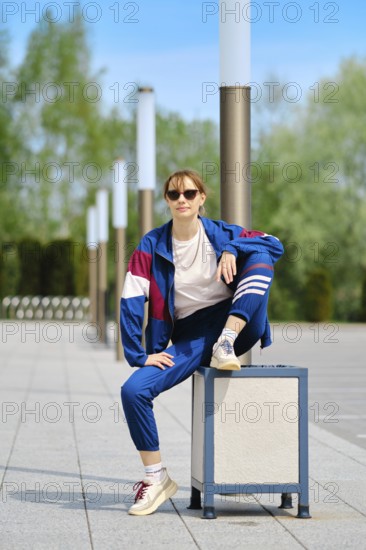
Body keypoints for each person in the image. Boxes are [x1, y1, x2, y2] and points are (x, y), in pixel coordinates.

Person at [120, 169, 284, 516]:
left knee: (260, 257)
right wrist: (139, 355)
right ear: (166, 200)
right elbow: (131, 298)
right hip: (192, 333)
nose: (182, 200)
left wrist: (233, 248)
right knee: (134, 391)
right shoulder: (151, 246)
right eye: (175, 194)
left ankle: (226, 342)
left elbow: (273, 242)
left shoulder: (221, 232)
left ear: (201, 199)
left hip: (237, 321)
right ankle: (155, 478)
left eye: (190, 194)